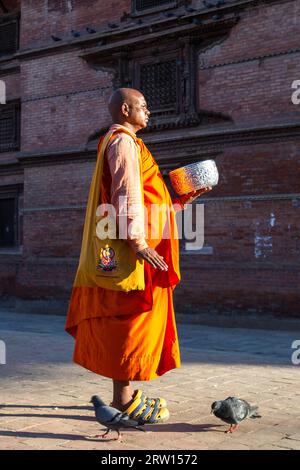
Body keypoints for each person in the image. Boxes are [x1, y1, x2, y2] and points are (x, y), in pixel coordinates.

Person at [65, 88, 211, 423]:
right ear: (125, 109)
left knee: (130, 317)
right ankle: (123, 398)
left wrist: (181, 200)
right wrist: (138, 242)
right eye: (143, 106)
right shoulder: (123, 143)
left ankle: (122, 394)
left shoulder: (128, 143)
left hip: (134, 245)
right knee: (130, 318)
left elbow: (147, 198)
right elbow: (125, 192)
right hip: (131, 251)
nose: (148, 112)